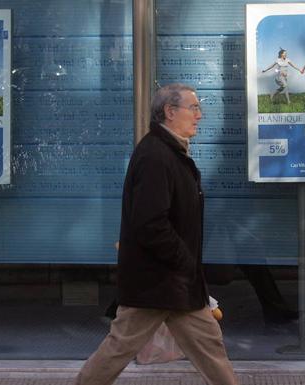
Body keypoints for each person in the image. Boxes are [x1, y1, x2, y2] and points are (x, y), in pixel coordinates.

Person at [75, 83, 238, 385]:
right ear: (170, 112)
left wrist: (187, 268)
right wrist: (185, 261)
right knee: (118, 348)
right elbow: (150, 223)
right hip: (157, 283)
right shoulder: (155, 156)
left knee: (210, 348)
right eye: (194, 108)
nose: (200, 115)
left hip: (176, 283)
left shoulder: (170, 153)